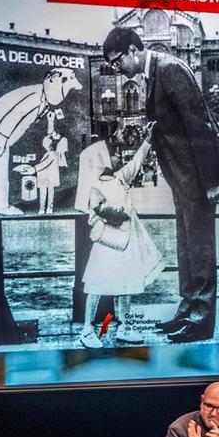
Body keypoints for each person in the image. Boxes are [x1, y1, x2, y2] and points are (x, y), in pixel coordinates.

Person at [102, 27, 219, 344]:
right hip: (182, 178)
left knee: (200, 247)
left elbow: (199, 126)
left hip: (197, 179)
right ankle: (187, 310)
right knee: (186, 246)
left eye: (117, 61)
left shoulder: (170, 69)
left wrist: (212, 181)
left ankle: (200, 320)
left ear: (133, 50)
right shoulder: (154, 73)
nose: (117, 69)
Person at [74, 131, 162, 348]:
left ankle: (123, 327)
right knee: (96, 285)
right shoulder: (92, 186)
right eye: (113, 155)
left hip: (125, 241)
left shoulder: (120, 178)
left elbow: (136, 162)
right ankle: (87, 330)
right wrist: (120, 212)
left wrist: (148, 141)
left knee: (126, 283)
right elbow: (98, 212)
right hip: (106, 242)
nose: (117, 158)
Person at [0, 67, 81, 215]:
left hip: (4, 131)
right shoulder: (35, 96)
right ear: (52, 79)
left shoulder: (45, 99)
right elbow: (15, 113)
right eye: (64, 83)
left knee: (0, 164)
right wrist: (1, 135)